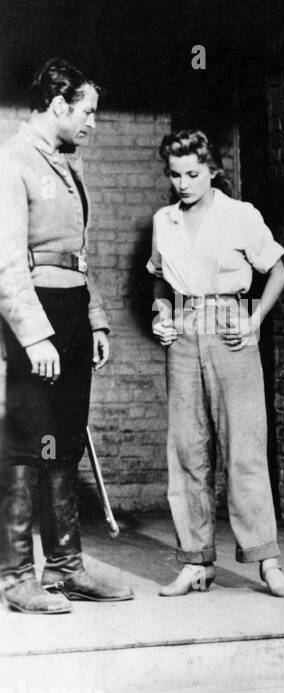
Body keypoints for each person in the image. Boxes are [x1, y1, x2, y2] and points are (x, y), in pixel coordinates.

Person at [0, 57, 133, 613]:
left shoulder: (64, 165)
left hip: (72, 312)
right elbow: (6, 261)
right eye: (87, 112)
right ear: (57, 105)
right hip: (37, 317)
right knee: (27, 442)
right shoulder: (13, 162)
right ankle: (15, 577)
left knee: (64, 440)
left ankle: (64, 565)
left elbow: (79, 256)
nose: (92, 123)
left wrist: (96, 319)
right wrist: (34, 336)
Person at [147, 129, 284, 598]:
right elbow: (158, 283)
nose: (184, 183)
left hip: (232, 332)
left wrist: (254, 321)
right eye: (175, 174)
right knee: (188, 452)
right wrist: (163, 315)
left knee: (244, 451)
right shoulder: (163, 220)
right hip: (184, 337)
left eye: (193, 173)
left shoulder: (240, 215)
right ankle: (195, 563)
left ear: (213, 169)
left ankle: (267, 562)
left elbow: (277, 271)